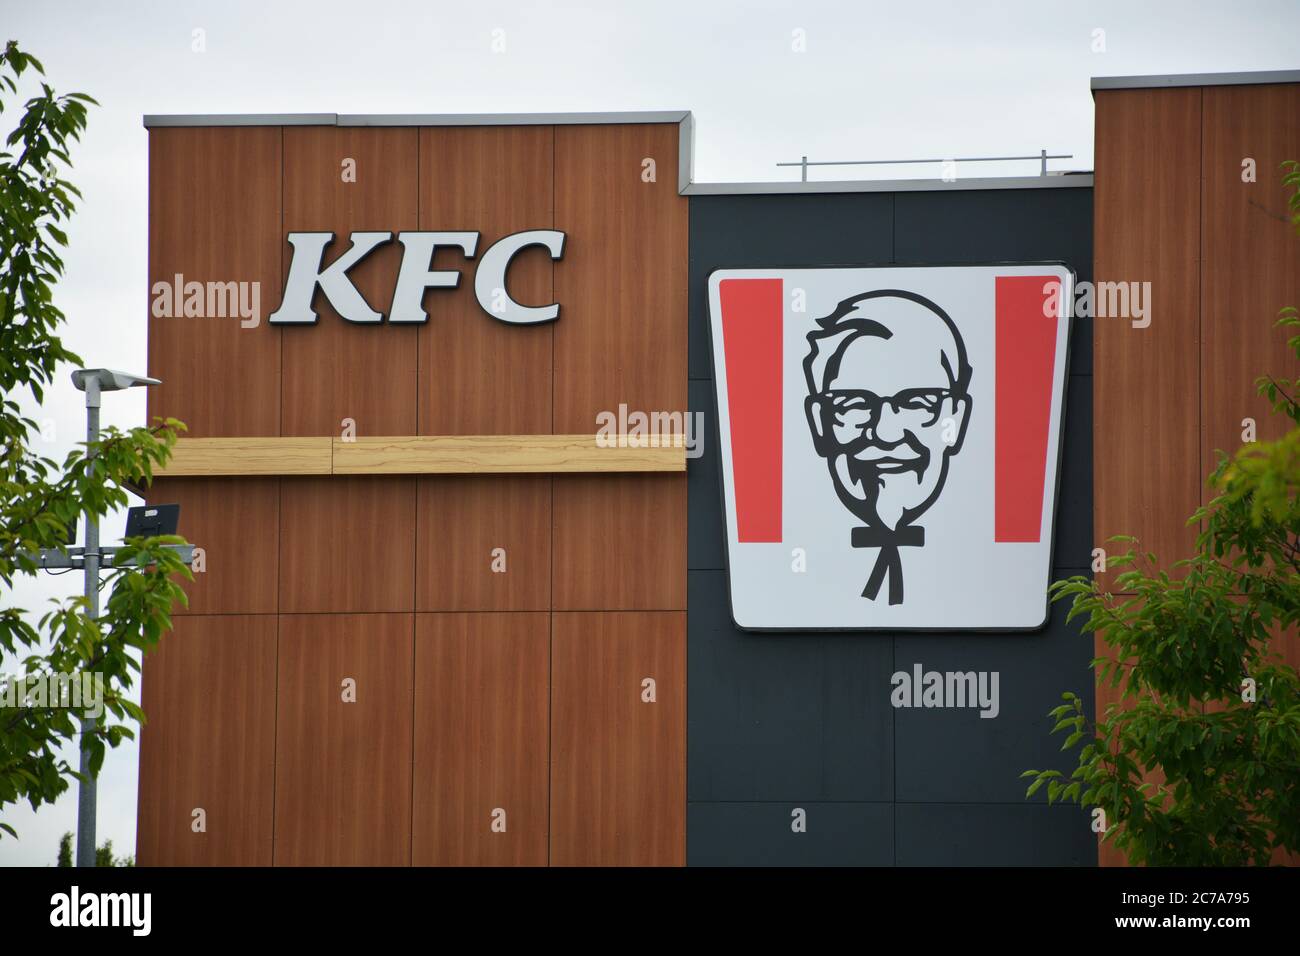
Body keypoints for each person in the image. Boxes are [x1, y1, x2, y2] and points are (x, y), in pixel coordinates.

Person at [802, 289, 973, 605]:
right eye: (854, 403)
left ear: (957, 419)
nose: (885, 432)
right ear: (819, 422)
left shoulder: (978, 576)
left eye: (917, 402)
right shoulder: (796, 580)